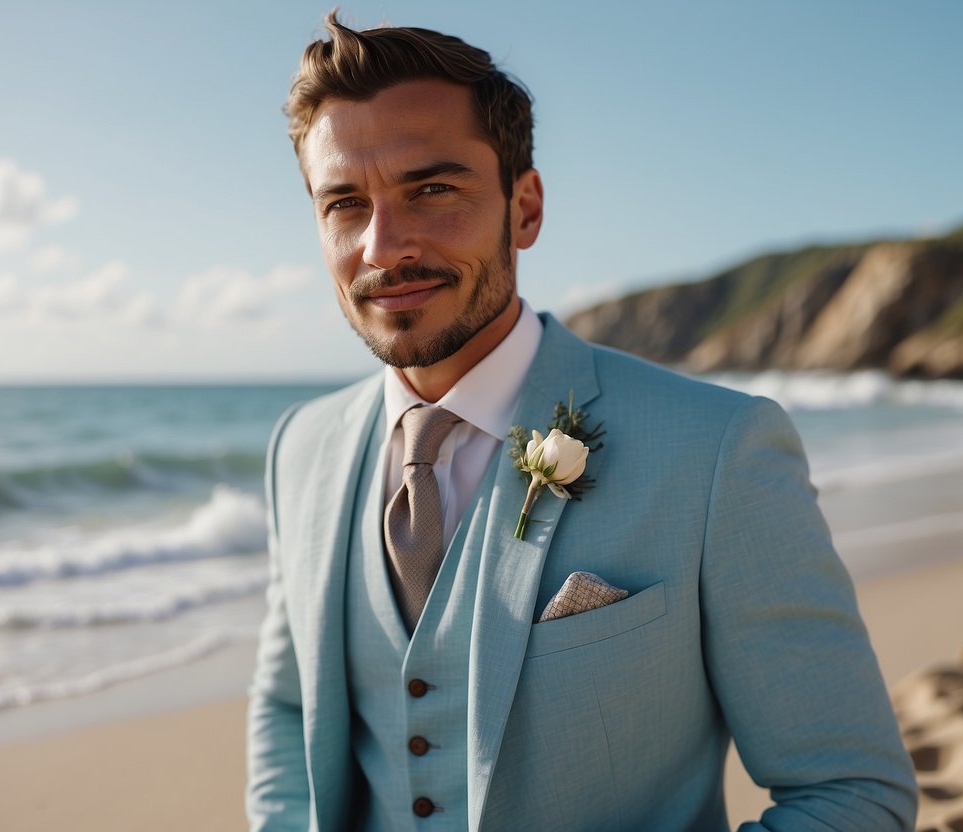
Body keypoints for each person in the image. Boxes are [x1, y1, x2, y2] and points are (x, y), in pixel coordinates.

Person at [247, 14, 917, 832]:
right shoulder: (299, 450)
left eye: (431, 189)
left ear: (523, 209)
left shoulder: (719, 451)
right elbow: (287, 707)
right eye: (345, 203)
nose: (383, 245)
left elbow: (850, 793)